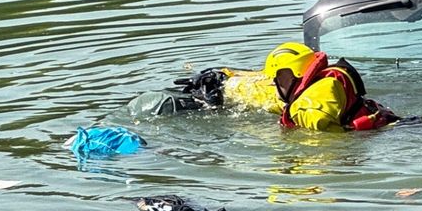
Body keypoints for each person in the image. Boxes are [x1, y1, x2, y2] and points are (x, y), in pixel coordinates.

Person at [164, 42, 399, 132]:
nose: (274, 82)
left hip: (400, 134)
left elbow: (317, 129)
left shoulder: (315, 101)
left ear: (290, 75)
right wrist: (224, 79)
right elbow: (267, 91)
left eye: (277, 78)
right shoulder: (307, 86)